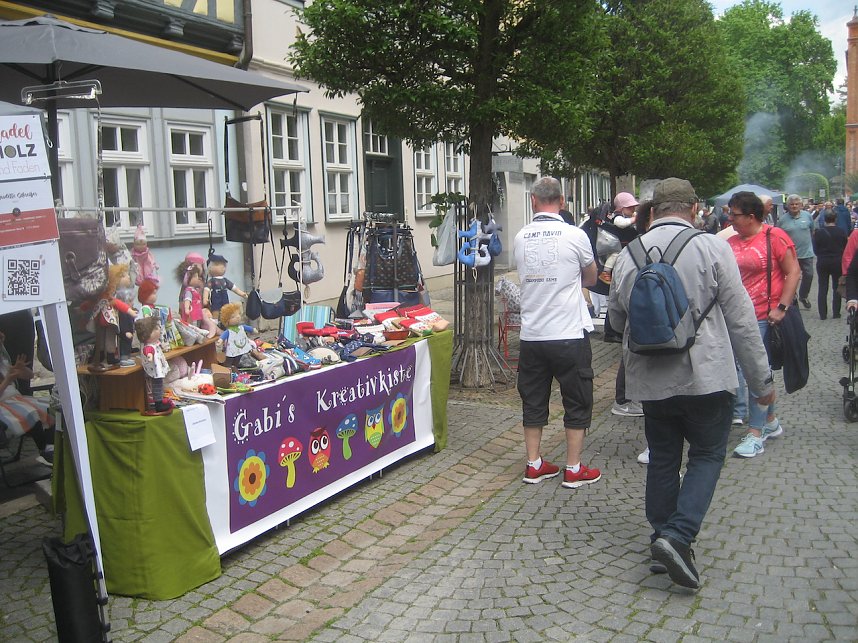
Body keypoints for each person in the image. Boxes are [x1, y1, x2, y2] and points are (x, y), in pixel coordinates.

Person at [608, 178, 775, 590]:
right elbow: (742, 321)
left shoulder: (630, 254)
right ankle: (678, 536)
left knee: (663, 458)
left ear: (652, 210)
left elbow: (615, 321)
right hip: (707, 376)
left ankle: (661, 537)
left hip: (651, 379)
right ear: (694, 208)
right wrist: (761, 382)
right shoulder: (713, 247)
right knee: (707, 455)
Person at [512, 176, 601, 489]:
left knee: (533, 399)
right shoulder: (575, 235)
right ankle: (573, 468)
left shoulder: (520, 237)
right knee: (577, 399)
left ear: (533, 201)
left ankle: (533, 463)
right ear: (562, 201)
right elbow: (591, 278)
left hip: (532, 334)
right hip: (568, 332)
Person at [726, 191, 800, 458]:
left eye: (734, 214)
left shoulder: (774, 236)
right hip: (735, 316)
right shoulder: (730, 241)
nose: (730, 218)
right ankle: (770, 421)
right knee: (753, 371)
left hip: (762, 317)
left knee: (756, 372)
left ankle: (755, 433)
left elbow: (793, 271)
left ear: (751, 216)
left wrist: (782, 307)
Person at [0, 328, 55, 465]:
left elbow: (29, 376)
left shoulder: (3, 362)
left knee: (52, 406)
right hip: (3, 403)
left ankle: (52, 445)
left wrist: (20, 369)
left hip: (15, 398)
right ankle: (45, 449)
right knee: (32, 412)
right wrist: (8, 379)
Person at [777, 194, 815, 309]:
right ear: (788, 206)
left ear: (801, 205)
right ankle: (792, 298)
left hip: (806, 253)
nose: (794, 206)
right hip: (790, 255)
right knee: (791, 277)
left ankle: (803, 295)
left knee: (809, 275)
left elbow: (812, 231)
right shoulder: (782, 220)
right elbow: (778, 237)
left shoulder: (807, 216)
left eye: (797, 204)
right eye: (792, 204)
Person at [812, 210, 848, 320]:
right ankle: (836, 313)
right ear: (835, 219)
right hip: (837, 261)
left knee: (822, 287)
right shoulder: (841, 231)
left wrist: (821, 255)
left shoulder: (819, 232)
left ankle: (823, 314)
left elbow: (815, 248)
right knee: (836, 287)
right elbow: (845, 247)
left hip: (823, 261)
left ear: (825, 219)